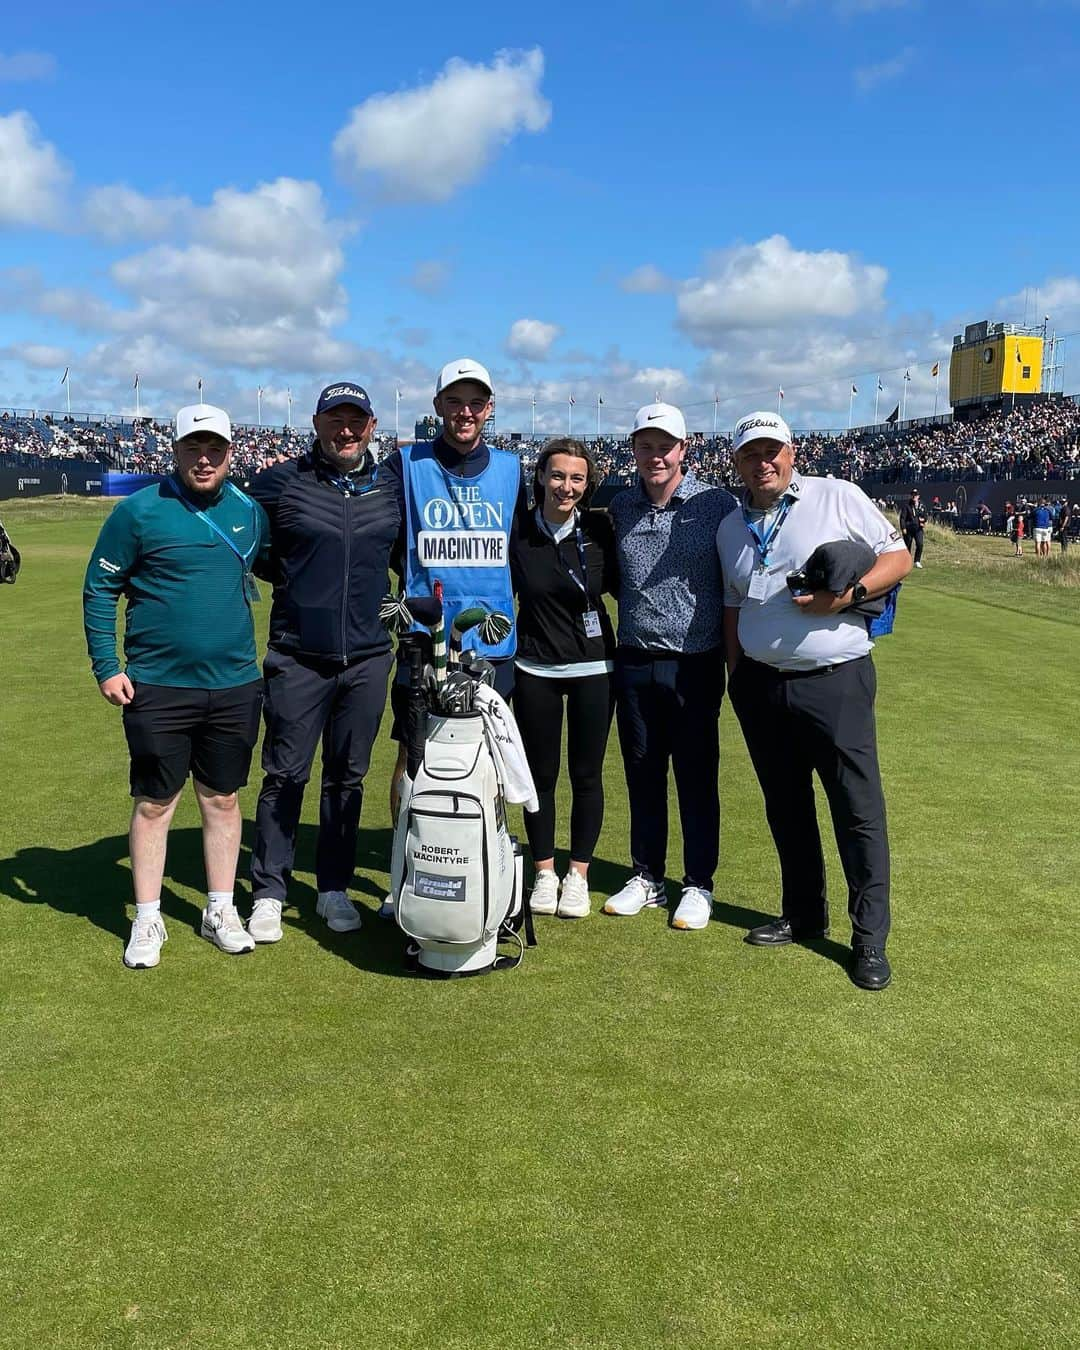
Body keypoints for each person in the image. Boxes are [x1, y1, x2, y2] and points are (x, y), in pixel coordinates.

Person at [717, 410, 912, 991]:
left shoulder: (837, 495)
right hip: (760, 683)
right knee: (787, 807)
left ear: (792, 452)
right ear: (737, 463)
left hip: (835, 679)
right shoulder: (731, 526)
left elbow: (898, 560)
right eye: (752, 454)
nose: (764, 462)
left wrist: (847, 595)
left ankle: (869, 939)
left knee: (856, 809)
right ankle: (804, 914)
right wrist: (737, 673)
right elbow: (734, 605)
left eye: (772, 450)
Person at [83, 404, 269, 968]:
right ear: (176, 451)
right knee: (155, 804)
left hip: (235, 683)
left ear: (232, 453)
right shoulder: (138, 511)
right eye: (194, 448)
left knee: (224, 798)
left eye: (215, 448)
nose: (204, 458)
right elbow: (98, 588)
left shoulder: (249, 512)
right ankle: (147, 917)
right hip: (157, 686)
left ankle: (219, 909)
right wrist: (106, 665)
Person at [245, 382, 403, 941]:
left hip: (366, 659)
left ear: (372, 425)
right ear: (316, 423)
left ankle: (333, 888)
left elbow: (404, 556)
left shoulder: (390, 486)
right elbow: (253, 545)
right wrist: (290, 582)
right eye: (335, 420)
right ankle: (269, 890)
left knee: (347, 779)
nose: (346, 430)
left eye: (355, 421)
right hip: (296, 657)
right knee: (284, 775)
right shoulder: (281, 483)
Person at [604, 402, 737, 930]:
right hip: (634, 659)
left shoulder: (716, 504)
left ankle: (698, 884)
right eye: (646, 445)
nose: (655, 455)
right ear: (633, 448)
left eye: (665, 446)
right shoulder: (619, 506)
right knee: (642, 773)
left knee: (696, 776)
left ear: (684, 449)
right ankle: (648, 877)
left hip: (695, 664)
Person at [383, 358, 527, 827]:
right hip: (423, 639)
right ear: (438, 405)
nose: (465, 412)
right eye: (455, 401)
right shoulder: (405, 463)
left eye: (475, 403)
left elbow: (523, 548)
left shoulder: (512, 469)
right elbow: (386, 540)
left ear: (489, 409)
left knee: (493, 757)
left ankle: (491, 863)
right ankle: (404, 865)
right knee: (413, 754)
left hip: (492, 642)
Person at [511, 439, 618, 918]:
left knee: (587, 774)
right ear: (540, 478)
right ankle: (544, 872)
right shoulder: (519, 532)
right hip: (534, 668)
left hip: (595, 669)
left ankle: (578, 876)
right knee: (540, 777)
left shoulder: (599, 531)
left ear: (587, 483)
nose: (566, 487)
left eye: (576, 478)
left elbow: (622, 583)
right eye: (557, 476)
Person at [899, 488, 927, 568]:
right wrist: (903, 527)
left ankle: (917, 561)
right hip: (909, 529)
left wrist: (923, 520)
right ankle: (906, 561)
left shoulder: (922, 505)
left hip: (918, 529)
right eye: (912, 495)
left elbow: (925, 516)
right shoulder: (907, 505)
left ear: (918, 496)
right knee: (908, 545)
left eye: (915, 495)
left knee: (920, 544)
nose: (914, 496)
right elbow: (902, 518)